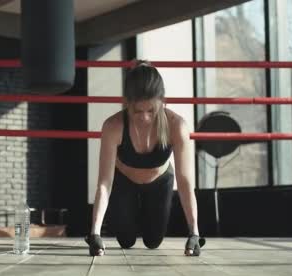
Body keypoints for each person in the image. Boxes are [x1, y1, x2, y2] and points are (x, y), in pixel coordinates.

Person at [85, 60, 205, 257]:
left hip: (159, 180)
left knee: (153, 242)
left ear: (162, 101)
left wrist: (194, 232)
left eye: (151, 110)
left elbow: (185, 182)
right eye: (137, 111)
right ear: (127, 104)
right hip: (123, 181)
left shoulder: (177, 126)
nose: (145, 118)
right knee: (125, 240)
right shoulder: (113, 126)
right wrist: (95, 232)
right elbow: (104, 184)